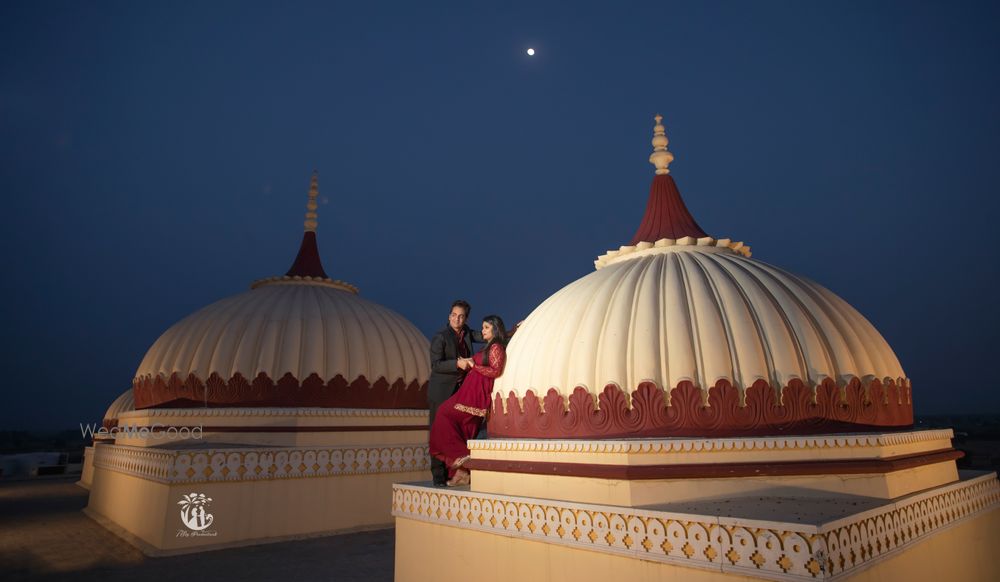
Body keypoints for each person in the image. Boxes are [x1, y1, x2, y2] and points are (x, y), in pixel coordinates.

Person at [429, 315, 507, 486]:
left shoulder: (496, 347)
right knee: (458, 427)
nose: (483, 331)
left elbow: (495, 371)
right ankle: (461, 472)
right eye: (483, 327)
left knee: (443, 413)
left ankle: (463, 457)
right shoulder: (489, 346)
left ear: (495, 328)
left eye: (486, 327)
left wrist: (473, 365)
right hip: (468, 390)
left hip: (476, 393)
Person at [427, 300, 483, 486]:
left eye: (460, 316)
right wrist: (456, 364)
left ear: (465, 318)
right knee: (437, 432)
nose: (456, 319)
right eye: (453, 315)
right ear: (449, 315)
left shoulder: (466, 332)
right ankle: (438, 478)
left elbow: (486, 335)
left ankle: (458, 472)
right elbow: (435, 365)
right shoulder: (441, 337)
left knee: (458, 429)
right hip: (441, 390)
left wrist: (511, 332)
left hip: (459, 391)